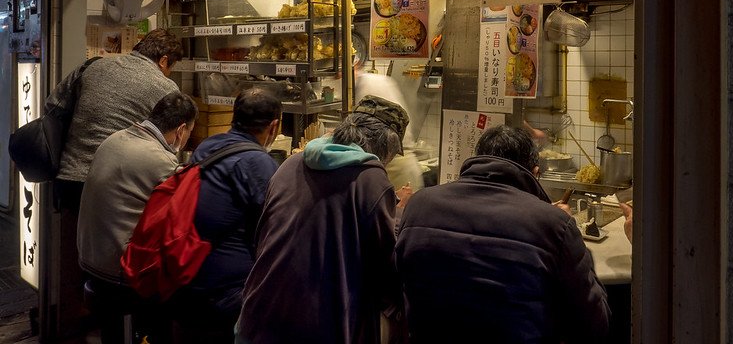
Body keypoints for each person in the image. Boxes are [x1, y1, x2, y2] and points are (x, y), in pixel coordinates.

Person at [395, 125, 610, 344]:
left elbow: (397, 285)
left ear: (477, 159)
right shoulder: (553, 225)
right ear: (535, 172)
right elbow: (593, 324)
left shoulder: (419, 204)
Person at [235, 95, 409, 344]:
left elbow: (263, 235)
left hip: (256, 315)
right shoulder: (371, 179)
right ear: (385, 147)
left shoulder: (291, 164)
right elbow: (383, 265)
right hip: (316, 326)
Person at [47, 28, 183, 333]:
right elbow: (171, 139)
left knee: (75, 254)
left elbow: (53, 105)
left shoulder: (95, 64)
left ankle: (70, 325)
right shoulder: (164, 85)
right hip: (115, 184)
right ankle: (119, 327)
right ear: (164, 60)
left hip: (69, 176)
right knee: (114, 260)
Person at [77, 91, 198, 344]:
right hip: (118, 271)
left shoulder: (114, 139)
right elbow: (184, 210)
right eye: (188, 135)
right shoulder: (159, 159)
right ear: (181, 129)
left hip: (88, 258)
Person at [171, 89, 282, 343]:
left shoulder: (208, 145)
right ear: (274, 126)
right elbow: (276, 225)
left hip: (183, 274)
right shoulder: (258, 163)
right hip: (224, 293)